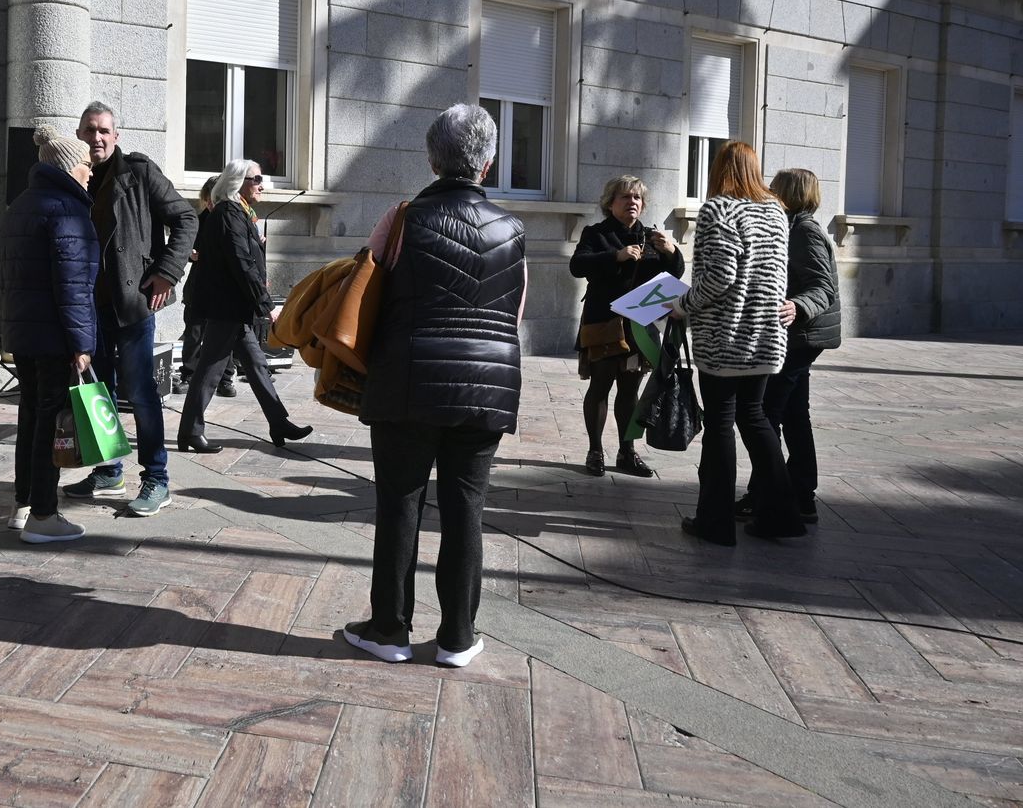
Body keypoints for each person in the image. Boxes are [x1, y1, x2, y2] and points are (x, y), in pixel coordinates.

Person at [341, 104, 526, 670]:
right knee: (466, 508)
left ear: (431, 157)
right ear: (488, 164)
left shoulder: (402, 218)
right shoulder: (514, 229)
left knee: (400, 502)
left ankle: (389, 628)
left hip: (409, 378)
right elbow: (514, 314)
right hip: (488, 384)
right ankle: (457, 636)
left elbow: (366, 284)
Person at [62, 102, 196, 517]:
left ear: (115, 136)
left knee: (140, 394)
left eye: (103, 130)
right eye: (89, 130)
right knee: (98, 393)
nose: (96, 138)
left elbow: (187, 219)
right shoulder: (73, 178)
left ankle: (156, 478)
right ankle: (109, 470)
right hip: (89, 307)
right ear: (80, 134)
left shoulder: (138, 172)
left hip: (133, 304)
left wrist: (167, 273)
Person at [671, 141, 804, 546]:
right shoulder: (776, 211)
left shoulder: (719, 209)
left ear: (721, 169)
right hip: (765, 338)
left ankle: (714, 522)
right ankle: (782, 516)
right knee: (757, 420)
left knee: (721, 425)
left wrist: (683, 305)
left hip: (724, 337)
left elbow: (720, 275)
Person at [0, 125, 98, 543]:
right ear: (70, 166)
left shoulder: (23, 203)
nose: (91, 173)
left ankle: (24, 504)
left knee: (31, 415)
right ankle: (43, 514)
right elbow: (73, 285)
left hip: (24, 329)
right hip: (55, 332)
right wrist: (82, 344)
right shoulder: (67, 209)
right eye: (87, 165)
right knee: (49, 421)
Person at [177, 159, 312, 453]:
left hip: (235, 309)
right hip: (227, 308)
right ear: (239, 182)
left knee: (257, 364)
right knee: (211, 370)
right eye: (257, 179)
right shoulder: (228, 214)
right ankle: (190, 431)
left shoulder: (240, 214)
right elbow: (242, 265)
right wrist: (267, 306)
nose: (263, 185)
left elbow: (247, 261)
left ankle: (278, 422)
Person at [737, 168, 840, 524]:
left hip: (801, 335)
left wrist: (798, 306)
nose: (768, 189)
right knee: (795, 415)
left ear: (790, 192)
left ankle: (764, 495)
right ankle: (802, 495)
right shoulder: (792, 225)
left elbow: (822, 287)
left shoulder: (804, 230)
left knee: (766, 415)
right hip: (798, 334)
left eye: (775, 185)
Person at [569, 175, 684, 478]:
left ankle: (627, 452)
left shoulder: (651, 236)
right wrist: (615, 256)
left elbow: (673, 275)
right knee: (601, 385)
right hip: (604, 322)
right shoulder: (597, 233)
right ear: (611, 203)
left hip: (638, 325)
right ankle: (595, 451)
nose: (632, 202)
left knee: (630, 389)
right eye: (625, 197)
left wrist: (672, 252)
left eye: (637, 198)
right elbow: (577, 265)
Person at [173, 175, 236, 399]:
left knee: (224, 334)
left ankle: (225, 378)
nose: (210, 203)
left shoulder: (235, 218)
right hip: (200, 284)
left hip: (224, 287)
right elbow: (186, 246)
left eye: (215, 198)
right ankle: (189, 374)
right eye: (207, 199)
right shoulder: (198, 219)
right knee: (194, 332)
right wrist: (191, 254)